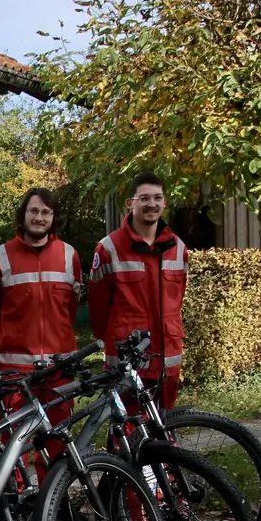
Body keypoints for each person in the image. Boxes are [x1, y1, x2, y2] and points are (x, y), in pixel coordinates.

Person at [0, 187, 83, 478]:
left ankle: (53, 507)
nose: (39, 217)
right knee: (12, 440)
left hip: (58, 367)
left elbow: (70, 308)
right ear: (23, 214)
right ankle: (12, 504)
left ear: (54, 217)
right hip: (13, 369)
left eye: (46, 212)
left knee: (57, 438)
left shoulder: (69, 255)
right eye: (34, 211)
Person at [88, 171, 188, 409]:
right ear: (130, 203)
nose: (151, 204)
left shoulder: (178, 247)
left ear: (164, 202)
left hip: (167, 358)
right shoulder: (109, 248)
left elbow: (178, 299)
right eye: (144, 198)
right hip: (127, 359)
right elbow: (98, 309)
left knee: (165, 429)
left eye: (157, 197)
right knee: (128, 435)